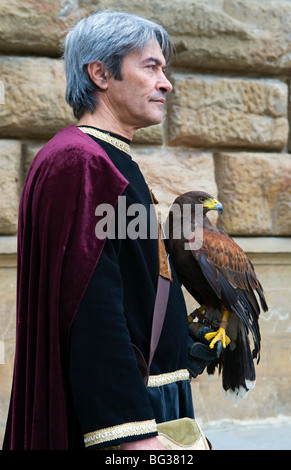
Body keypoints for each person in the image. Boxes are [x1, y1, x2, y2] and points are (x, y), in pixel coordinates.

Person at [3, 10, 216, 451]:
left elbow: (130, 282)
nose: (166, 83)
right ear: (100, 73)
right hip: (125, 422)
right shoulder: (81, 163)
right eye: (151, 66)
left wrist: (184, 337)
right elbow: (91, 309)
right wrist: (133, 438)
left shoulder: (107, 159)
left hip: (153, 398)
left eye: (164, 69)